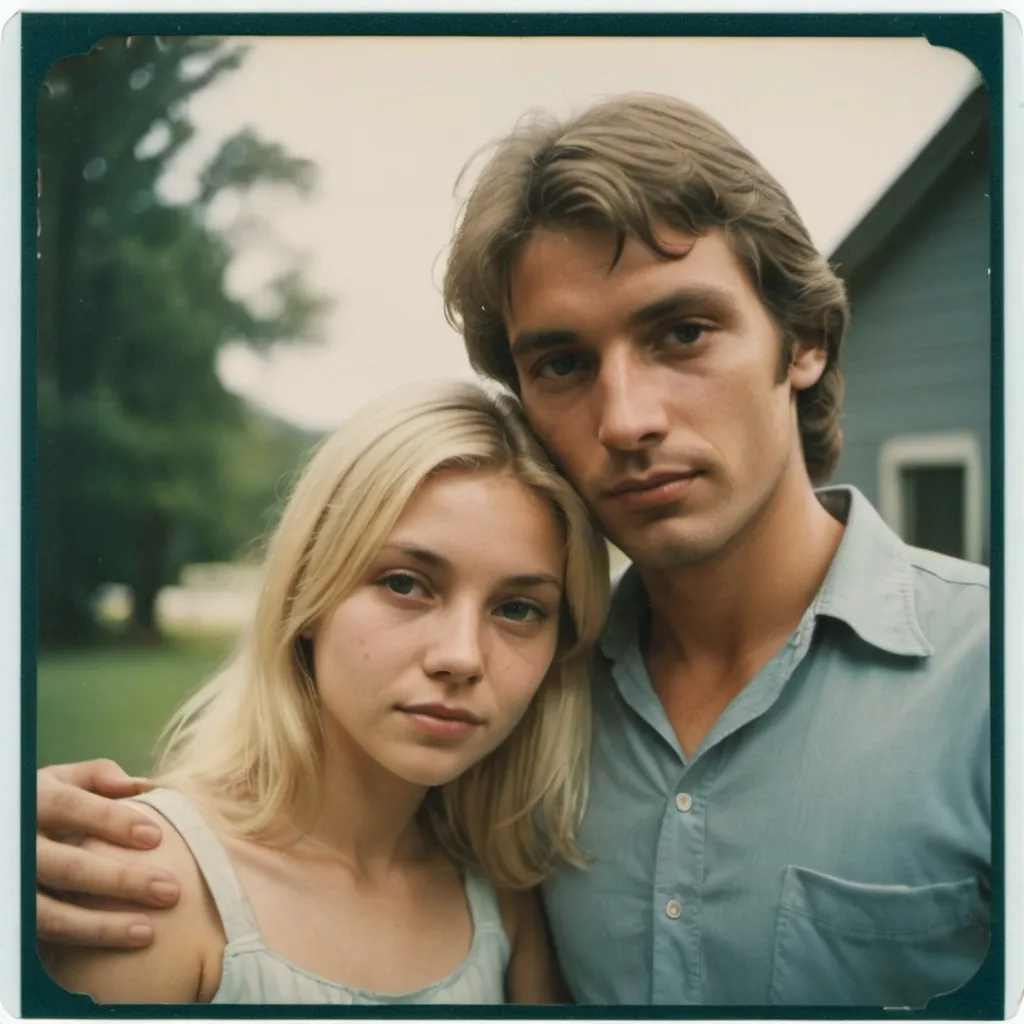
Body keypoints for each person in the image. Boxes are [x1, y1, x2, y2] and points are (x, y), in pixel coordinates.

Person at [36, 94, 990, 1007]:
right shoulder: (526, 719)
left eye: (683, 332)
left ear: (806, 339)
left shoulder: (990, 680)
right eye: (564, 363)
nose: (626, 420)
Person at [37, 379, 610, 1005]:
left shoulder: (499, 902)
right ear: (308, 590)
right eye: (405, 583)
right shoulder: (150, 885)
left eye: (520, 609)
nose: (461, 657)